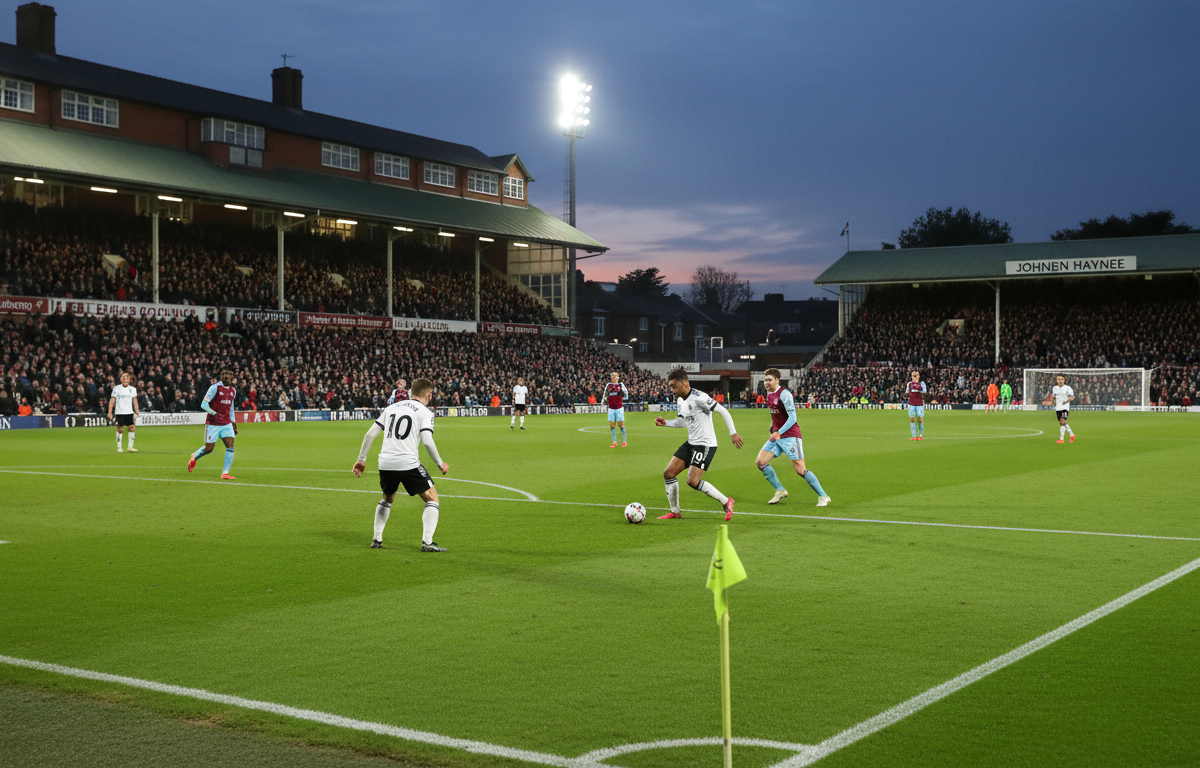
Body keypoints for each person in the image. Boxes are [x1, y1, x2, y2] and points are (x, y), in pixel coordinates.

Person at [352, 378, 449, 552]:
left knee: (388, 498)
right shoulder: (425, 412)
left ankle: (377, 539)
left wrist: (362, 459)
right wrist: (440, 463)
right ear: (429, 394)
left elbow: (369, 435)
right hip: (408, 463)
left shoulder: (391, 408)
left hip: (385, 463)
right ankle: (427, 543)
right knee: (432, 498)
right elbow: (427, 441)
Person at [654, 369, 743, 521]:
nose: (672, 390)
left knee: (692, 481)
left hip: (705, 444)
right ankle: (675, 511)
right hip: (691, 443)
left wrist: (733, 432)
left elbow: (722, 410)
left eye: (674, 386)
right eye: (671, 387)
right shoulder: (680, 400)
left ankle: (726, 501)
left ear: (685, 384)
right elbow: (682, 422)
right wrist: (666, 423)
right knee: (668, 473)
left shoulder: (699, 397)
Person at [755, 369, 830, 506]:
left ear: (777, 380)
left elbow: (793, 418)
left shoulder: (784, 394)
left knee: (800, 469)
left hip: (790, 435)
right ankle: (780, 490)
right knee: (760, 462)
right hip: (777, 436)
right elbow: (776, 415)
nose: (767, 382)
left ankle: (823, 496)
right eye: (765, 380)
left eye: (769, 380)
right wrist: (772, 427)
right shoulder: (769, 394)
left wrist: (779, 432)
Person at [187, 369, 239, 479]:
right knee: (209, 448)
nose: (226, 378)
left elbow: (231, 409)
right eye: (224, 376)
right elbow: (203, 404)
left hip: (226, 423)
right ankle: (194, 456)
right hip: (213, 423)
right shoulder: (215, 388)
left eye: (229, 376)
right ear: (221, 377)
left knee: (230, 446)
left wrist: (233, 423)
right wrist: (213, 413)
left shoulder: (232, 391)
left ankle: (225, 473)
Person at [108, 372, 140, 453]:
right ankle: (119, 447)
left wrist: (137, 410)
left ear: (129, 379)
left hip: (129, 411)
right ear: (120, 379)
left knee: (132, 428)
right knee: (120, 428)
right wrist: (110, 412)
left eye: (127, 378)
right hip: (120, 411)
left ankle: (130, 447)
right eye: (123, 377)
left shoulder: (132, 389)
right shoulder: (116, 388)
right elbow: (112, 400)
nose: (125, 379)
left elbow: (134, 400)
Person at [605, 371, 629, 448]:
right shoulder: (608, 385)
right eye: (613, 377)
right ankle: (614, 442)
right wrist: (603, 401)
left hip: (619, 407)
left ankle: (624, 441)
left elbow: (626, 395)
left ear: (618, 377)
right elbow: (605, 394)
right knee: (612, 425)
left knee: (621, 424)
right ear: (611, 378)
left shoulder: (621, 385)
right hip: (611, 408)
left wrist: (622, 395)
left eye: (616, 377)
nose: (614, 378)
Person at [1050, 374, 1076, 444]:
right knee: (1062, 423)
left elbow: (1072, 397)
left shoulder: (1068, 388)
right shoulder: (1054, 388)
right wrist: (1053, 402)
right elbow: (1054, 398)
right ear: (1056, 380)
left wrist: (1065, 402)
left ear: (1064, 380)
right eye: (1059, 379)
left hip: (1065, 407)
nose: (1060, 381)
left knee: (1062, 421)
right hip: (1058, 407)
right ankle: (1072, 435)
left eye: (1061, 379)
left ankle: (1061, 439)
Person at [907, 370, 927, 441]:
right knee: (912, 419)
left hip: (919, 404)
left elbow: (925, 391)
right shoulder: (909, 384)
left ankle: (920, 435)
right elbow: (907, 392)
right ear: (911, 377)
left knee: (920, 419)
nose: (915, 377)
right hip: (911, 403)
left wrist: (919, 388)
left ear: (919, 376)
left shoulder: (922, 383)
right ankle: (914, 436)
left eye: (916, 375)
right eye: (913, 375)